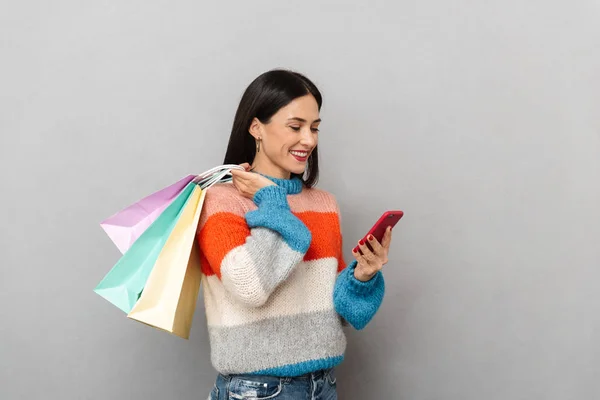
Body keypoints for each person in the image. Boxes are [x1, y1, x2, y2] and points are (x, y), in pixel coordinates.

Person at [196, 69, 394, 400]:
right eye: (295, 126)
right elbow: (248, 287)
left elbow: (340, 312)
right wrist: (271, 199)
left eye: (315, 128)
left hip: (322, 385)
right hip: (258, 391)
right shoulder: (221, 202)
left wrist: (362, 276)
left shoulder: (323, 203)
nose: (309, 140)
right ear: (256, 127)